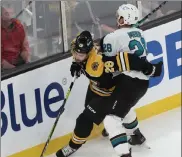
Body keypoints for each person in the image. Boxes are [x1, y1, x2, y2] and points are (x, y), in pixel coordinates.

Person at [55, 31, 163, 157]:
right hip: (95, 88)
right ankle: (135, 134)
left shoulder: (97, 65)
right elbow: (80, 55)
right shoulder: (81, 46)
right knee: (116, 110)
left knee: (85, 119)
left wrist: (150, 69)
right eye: (76, 54)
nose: (77, 56)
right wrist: (77, 63)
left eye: (80, 55)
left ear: (89, 52)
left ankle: (72, 146)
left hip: (108, 93)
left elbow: (128, 60)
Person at [99, 3, 158, 149]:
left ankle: (124, 151)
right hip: (142, 82)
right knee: (122, 106)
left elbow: (108, 64)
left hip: (128, 82)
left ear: (123, 20)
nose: (117, 18)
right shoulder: (141, 33)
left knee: (112, 119)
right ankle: (136, 135)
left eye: (119, 17)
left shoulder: (111, 37)